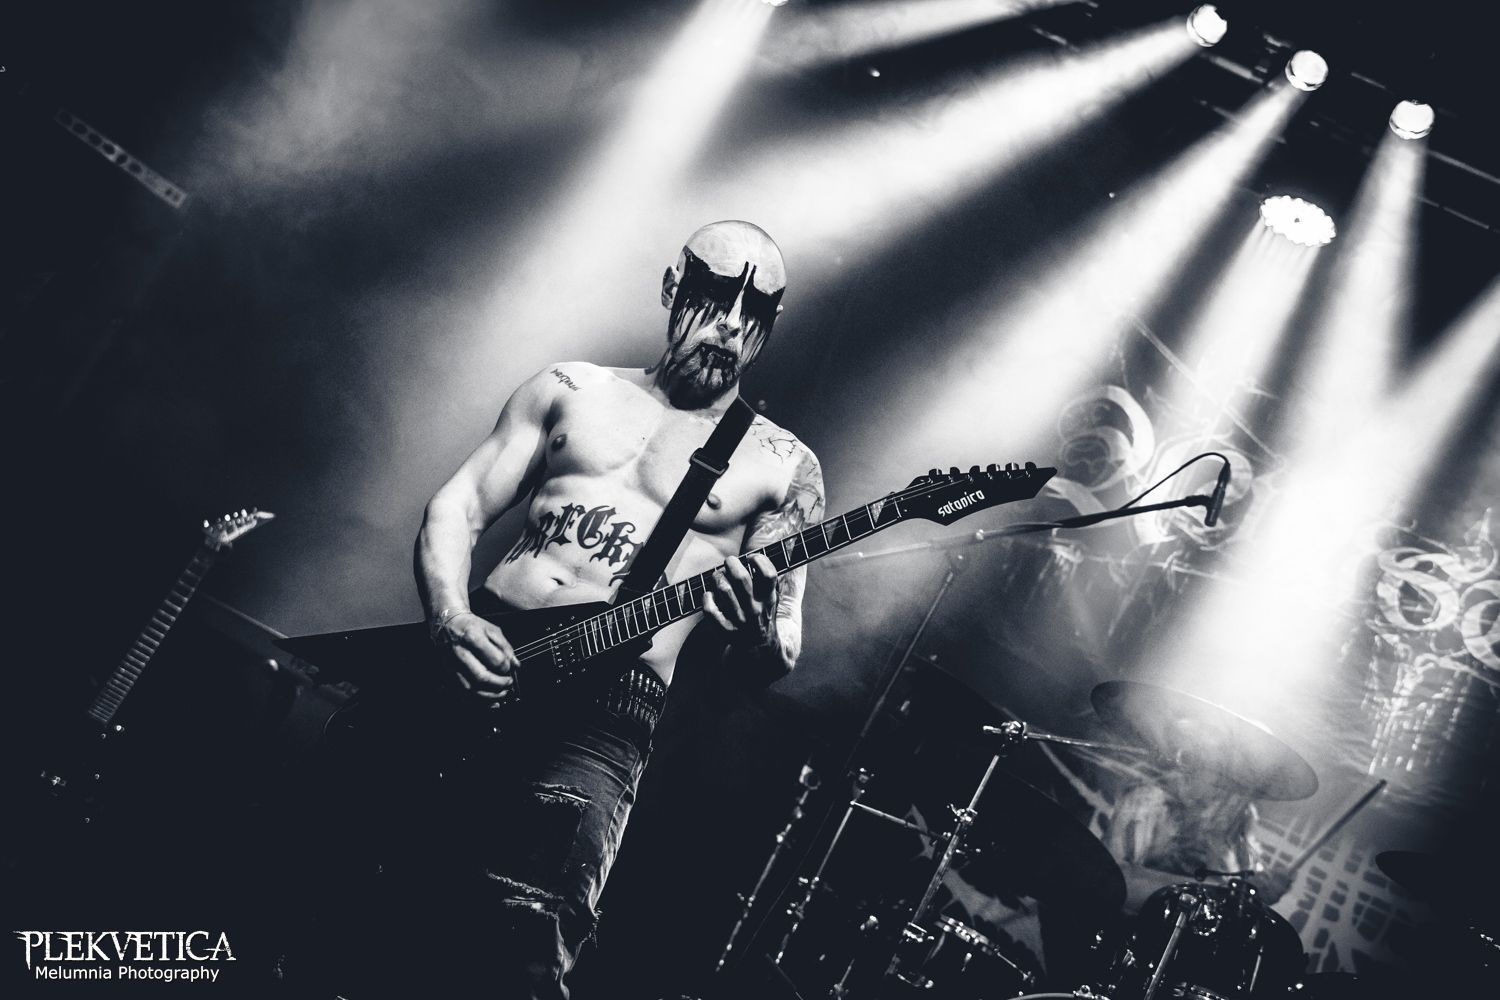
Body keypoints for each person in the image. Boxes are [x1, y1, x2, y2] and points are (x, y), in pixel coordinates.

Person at [412, 220, 825, 997]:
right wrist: (450, 617)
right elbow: (457, 506)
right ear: (672, 288)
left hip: (603, 715)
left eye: (756, 315)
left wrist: (753, 626)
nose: (731, 327)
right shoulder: (570, 388)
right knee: (377, 886)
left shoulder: (782, 467)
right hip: (482, 656)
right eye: (714, 299)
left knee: (523, 945)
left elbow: (781, 647)